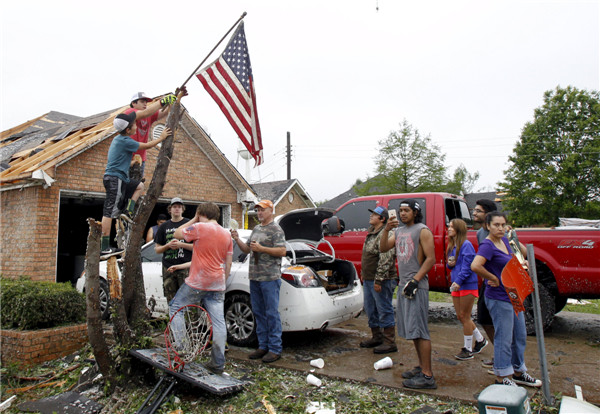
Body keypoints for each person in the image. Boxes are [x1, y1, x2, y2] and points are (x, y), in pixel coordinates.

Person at [471, 212, 541, 388]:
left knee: (520, 334)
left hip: (513, 295)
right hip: (499, 297)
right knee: (504, 336)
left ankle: (519, 371)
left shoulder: (504, 242)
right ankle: (502, 375)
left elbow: (524, 254)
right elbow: (475, 265)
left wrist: (514, 237)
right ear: (487, 226)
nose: (500, 228)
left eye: (503, 224)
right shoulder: (487, 245)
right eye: (496, 225)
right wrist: (491, 278)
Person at [168, 203, 233, 375]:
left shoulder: (199, 227)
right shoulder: (226, 234)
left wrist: (195, 219)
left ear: (200, 213)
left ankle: (182, 350)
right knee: (218, 322)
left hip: (198, 280)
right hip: (218, 282)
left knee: (176, 308)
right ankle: (218, 364)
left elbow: (176, 233)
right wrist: (222, 282)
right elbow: (228, 263)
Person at [380, 199, 437, 389]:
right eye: (401, 210)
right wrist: (387, 229)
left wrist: (415, 280)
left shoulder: (422, 230)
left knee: (421, 331)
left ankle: (428, 376)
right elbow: (383, 248)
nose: (403, 214)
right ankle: (421, 367)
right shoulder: (398, 231)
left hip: (416, 287)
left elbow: (431, 259)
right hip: (404, 286)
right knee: (413, 331)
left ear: (415, 212)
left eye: (407, 210)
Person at [100, 112, 171, 256]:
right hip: (115, 179)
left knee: (139, 186)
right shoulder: (126, 141)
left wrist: (130, 163)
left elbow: (118, 159)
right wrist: (161, 138)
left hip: (120, 178)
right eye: (134, 124)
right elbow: (146, 146)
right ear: (128, 129)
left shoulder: (118, 140)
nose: (136, 125)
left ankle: (128, 210)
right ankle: (104, 247)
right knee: (109, 212)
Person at [231, 200, 286, 363]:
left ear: (271, 211)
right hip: (254, 277)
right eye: (258, 210)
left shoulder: (276, 229)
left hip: (270, 278)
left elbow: (282, 251)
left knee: (271, 313)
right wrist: (237, 239)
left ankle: (275, 349)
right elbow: (247, 249)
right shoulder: (256, 229)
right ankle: (263, 346)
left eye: (262, 210)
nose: (259, 213)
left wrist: (262, 249)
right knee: (259, 312)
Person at [446, 218, 487, 360]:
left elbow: (468, 266)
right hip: (457, 284)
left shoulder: (466, 245)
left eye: (452, 227)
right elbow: (452, 265)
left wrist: (458, 281)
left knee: (465, 316)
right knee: (460, 316)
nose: (449, 228)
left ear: (459, 229)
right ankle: (480, 340)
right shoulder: (452, 245)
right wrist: (450, 265)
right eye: (449, 226)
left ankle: (468, 349)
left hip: (466, 284)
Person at [360, 206, 399, 354]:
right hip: (369, 279)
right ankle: (376, 337)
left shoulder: (385, 234)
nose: (371, 217)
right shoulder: (371, 233)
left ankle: (390, 342)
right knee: (371, 309)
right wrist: (365, 274)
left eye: (375, 215)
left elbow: (386, 259)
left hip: (382, 280)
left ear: (382, 219)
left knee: (384, 309)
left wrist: (379, 280)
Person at [472, 198, 498, 369]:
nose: (474, 213)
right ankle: (500, 353)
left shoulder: (499, 231)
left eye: (478, 211)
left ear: (488, 214)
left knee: (500, 321)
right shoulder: (480, 233)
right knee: (484, 318)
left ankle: (506, 359)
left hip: (500, 284)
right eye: (474, 210)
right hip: (487, 283)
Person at [124, 92, 175, 177]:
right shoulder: (130, 112)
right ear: (133, 103)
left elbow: (163, 112)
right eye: (142, 101)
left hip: (141, 158)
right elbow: (144, 113)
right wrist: (162, 102)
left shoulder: (149, 115)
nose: (145, 104)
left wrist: (173, 101)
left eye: (146, 102)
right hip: (128, 157)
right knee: (127, 186)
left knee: (138, 185)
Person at [154, 198, 193, 303]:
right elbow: (157, 249)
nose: (177, 209)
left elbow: (197, 247)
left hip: (186, 267)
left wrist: (181, 245)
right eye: (174, 207)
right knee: (171, 300)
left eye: (179, 207)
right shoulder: (164, 226)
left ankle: (187, 319)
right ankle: (173, 319)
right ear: (170, 209)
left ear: (183, 209)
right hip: (168, 267)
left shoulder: (189, 224)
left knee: (187, 300)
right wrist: (168, 245)